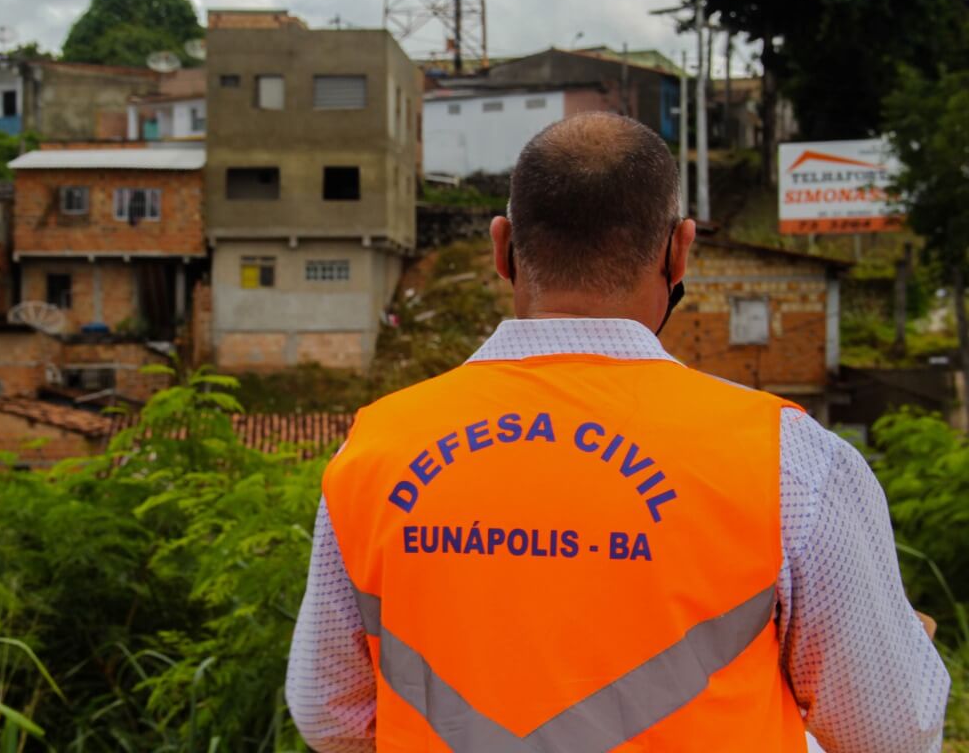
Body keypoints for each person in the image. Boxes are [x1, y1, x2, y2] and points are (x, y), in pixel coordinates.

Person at [285, 112, 949, 752]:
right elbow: (890, 735)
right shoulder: (787, 460)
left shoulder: (375, 447)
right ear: (679, 250)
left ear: (501, 247)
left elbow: (328, 714)